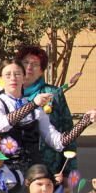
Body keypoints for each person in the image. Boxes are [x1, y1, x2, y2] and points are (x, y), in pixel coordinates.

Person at [0, 60, 89, 170]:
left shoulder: (35, 107)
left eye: (17, 74)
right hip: (5, 171)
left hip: (33, 170)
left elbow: (57, 142)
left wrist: (84, 122)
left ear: (24, 77)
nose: (13, 78)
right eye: (8, 74)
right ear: (0, 79)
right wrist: (33, 104)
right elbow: (1, 125)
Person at [16, 45, 79, 175]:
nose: (29, 67)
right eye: (25, 62)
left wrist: (68, 172)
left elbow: (67, 129)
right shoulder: (9, 94)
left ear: (41, 71)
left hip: (49, 166)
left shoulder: (53, 93)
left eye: (34, 64)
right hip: (16, 166)